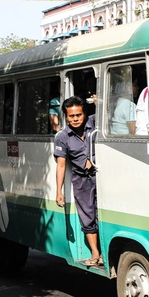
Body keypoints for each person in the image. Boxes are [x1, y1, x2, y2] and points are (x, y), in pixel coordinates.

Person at [54, 96, 102, 267]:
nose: (75, 119)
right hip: (81, 180)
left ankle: (105, 252)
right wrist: (58, 191)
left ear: (84, 114)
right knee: (87, 217)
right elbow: (61, 166)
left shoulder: (97, 122)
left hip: (102, 177)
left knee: (103, 213)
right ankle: (96, 253)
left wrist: (100, 103)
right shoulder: (63, 137)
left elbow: (114, 117)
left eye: (78, 115)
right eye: (71, 116)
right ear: (66, 117)